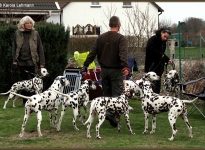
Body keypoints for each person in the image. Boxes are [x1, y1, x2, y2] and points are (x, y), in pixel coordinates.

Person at [81, 16, 130, 127]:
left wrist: (85, 66)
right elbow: (123, 54)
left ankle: (108, 113)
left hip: (104, 70)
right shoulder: (120, 38)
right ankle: (112, 117)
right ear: (118, 25)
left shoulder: (100, 38)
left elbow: (92, 53)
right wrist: (125, 67)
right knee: (117, 95)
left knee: (107, 94)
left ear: (109, 25)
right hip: (116, 71)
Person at [12, 15, 45, 107]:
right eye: (27, 23)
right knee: (24, 83)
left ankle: (35, 101)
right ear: (23, 24)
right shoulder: (17, 33)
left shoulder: (36, 34)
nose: (29, 24)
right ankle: (25, 102)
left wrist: (42, 63)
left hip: (32, 61)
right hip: (21, 61)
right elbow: (14, 48)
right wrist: (14, 60)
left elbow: (40, 49)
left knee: (35, 82)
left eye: (30, 23)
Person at [144, 28, 172, 94]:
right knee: (151, 85)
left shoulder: (164, 43)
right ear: (161, 33)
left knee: (157, 84)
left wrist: (167, 60)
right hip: (152, 66)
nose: (165, 38)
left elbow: (162, 54)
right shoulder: (153, 39)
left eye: (167, 37)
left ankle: (156, 97)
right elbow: (150, 49)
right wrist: (160, 55)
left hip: (159, 67)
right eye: (165, 36)